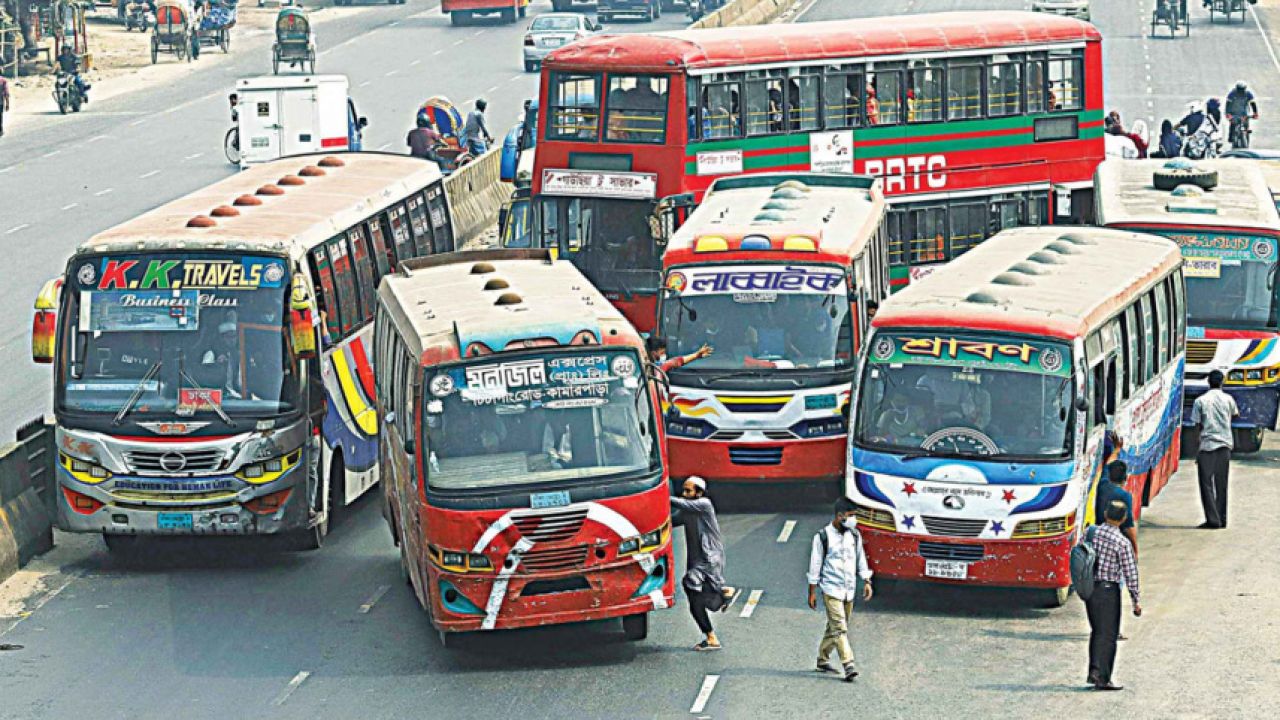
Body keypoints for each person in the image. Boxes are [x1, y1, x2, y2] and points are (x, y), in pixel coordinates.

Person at [807, 496, 873, 682]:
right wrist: (812, 591)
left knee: (834, 628)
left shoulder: (854, 535)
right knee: (840, 629)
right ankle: (848, 664)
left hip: (848, 590)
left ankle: (822, 659)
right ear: (839, 516)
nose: (853, 519)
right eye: (850, 515)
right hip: (831, 589)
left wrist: (866, 581)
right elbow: (815, 564)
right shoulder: (822, 537)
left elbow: (861, 558)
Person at [671, 477, 734, 651]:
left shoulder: (704, 504)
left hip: (708, 559)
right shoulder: (688, 511)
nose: (684, 494)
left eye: (688, 491)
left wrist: (660, 495)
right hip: (698, 560)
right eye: (683, 490)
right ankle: (721, 595)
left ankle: (712, 633)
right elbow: (671, 521)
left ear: (699, 492)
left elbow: (679, 503)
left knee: (690, 586)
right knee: (694, 598)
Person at [1085, 500, 1142, 691]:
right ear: (1123, 518)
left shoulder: (1090, 532)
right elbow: (1130, 572)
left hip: (1091, 589)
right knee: (1109, 636)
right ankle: (1103, 678)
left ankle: (1094, 671)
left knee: (1097, 631)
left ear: (1105, 513)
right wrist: (1136, 600)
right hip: (1109, 591)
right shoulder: (1122, 542)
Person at [1191, 370, 1239, 529]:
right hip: (1225, 445)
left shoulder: (1200, 401)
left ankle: (1213, 520)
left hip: (1207, 446)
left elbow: (1197, 426)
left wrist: (1197, 449)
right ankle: (1222, 519)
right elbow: (1235, 415)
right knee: (1221, 483)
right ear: (1222, 382)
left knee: (1206, 485)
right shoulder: (1229, 399)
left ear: (1208, 382)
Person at [1096, 461, 1138, 553]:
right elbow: (1129, 526)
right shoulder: (1125, 496)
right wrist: (1135, 549)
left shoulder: (1102, 484)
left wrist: (1116, 449)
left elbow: (1107, 465)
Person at [647, 336, 713, 373]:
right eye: (661, 353)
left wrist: (696, 355)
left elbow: (678, 361)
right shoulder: (645, 370)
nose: (664, 355)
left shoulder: (661, 367)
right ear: (653, 353)